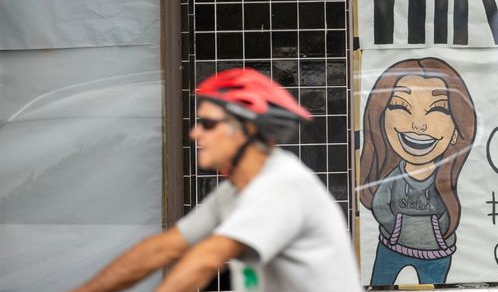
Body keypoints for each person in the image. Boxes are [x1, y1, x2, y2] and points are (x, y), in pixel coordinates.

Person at [70, 68, 362, 292]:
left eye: (208, 124)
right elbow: (163, 248)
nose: (195, 134)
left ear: (246, 129)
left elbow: (209, 257)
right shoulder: (235, 192)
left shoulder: (281, 184)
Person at [359, 58, 477, 286]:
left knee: (435, 284)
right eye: (401, 106)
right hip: (392, 246)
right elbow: (381, 205)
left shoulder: (445, 179)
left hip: (437, 252)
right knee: (381, 283)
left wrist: (438, 231)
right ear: (381, 121)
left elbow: (447, 211)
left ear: (456, 130)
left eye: (438, 109)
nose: (419, 126)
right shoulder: (394, 176)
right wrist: (395, 228)